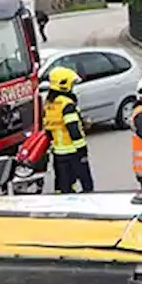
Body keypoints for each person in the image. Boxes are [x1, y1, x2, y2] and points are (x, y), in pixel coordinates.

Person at [41, 66, 94, 194]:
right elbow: (73, 130)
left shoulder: (49, 104)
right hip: (74, 153)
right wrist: (82, 151)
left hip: (58, 154)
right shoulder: (67, 105)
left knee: (63, 187)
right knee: (87, 186)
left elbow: (49, 129)